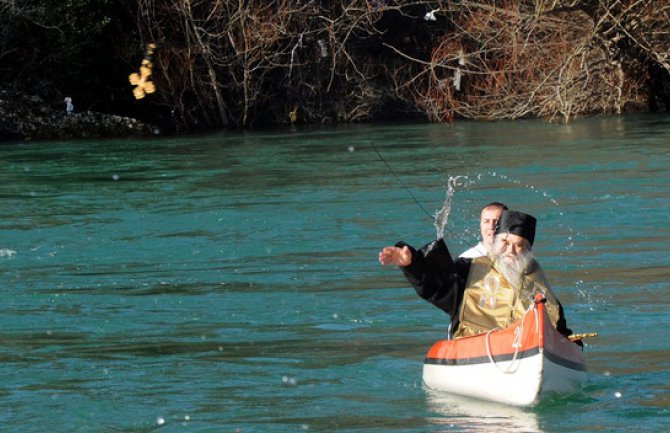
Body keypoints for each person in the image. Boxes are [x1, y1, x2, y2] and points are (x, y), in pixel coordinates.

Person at [378, 210, 576, 340]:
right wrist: (411, 264)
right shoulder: (470, 269)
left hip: (527, 354)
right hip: (474, 347)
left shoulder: (541, 286)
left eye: (518, 246)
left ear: (527, 250)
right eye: (505, 243)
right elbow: (436, 285)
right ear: (496, 243)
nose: (510, 250)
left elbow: (560, 332)